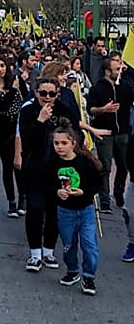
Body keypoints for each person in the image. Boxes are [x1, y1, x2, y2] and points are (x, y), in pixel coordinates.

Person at [15, 76, 76, 272]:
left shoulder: (63, 110)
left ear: (57, 94)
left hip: (58, 171)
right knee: (35, 209)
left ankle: (48, 251)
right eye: (43, 93)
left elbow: (74, 134)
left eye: (52, 94)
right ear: (36, 93)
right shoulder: (27, 111)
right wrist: (41, 120)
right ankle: (34, 254)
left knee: (54, 212)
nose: (47, 97)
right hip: (34, 168)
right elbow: (28, 140)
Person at [50, 125, 102, 295]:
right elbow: (46, 184)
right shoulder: (52, 162)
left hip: (85, 210)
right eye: (56, 143)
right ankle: (72, 270)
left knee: (90, 245)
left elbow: (97, 183)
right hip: (65, 211)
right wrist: (57, 192)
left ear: (73, 143)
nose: (59, 147)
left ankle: (88, 276)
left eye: (63, 143)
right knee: (68, 245)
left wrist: (83, 192)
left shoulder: (84, 161)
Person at [87, 54, 129, 213]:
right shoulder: (97, 88)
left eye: (120, 68)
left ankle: (118, 193)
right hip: (105, 132)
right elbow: (90, 109)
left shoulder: (125, 86)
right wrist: (103, 109)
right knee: (105, 166)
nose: (119, 71)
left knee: (123, 166)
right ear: (107, 71)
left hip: (122, 132)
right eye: (116, 69)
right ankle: (105, 199)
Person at [0, 56, 25, 218]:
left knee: (19, 164)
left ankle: (22, 199)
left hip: (17, 129)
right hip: (1, 130)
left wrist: (16, 89)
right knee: (7, 165)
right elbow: (0, 106)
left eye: (2, 66)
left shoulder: (17, 81)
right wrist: (13, 91)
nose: (0, 69)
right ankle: (11, 201)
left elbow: (26, 101)